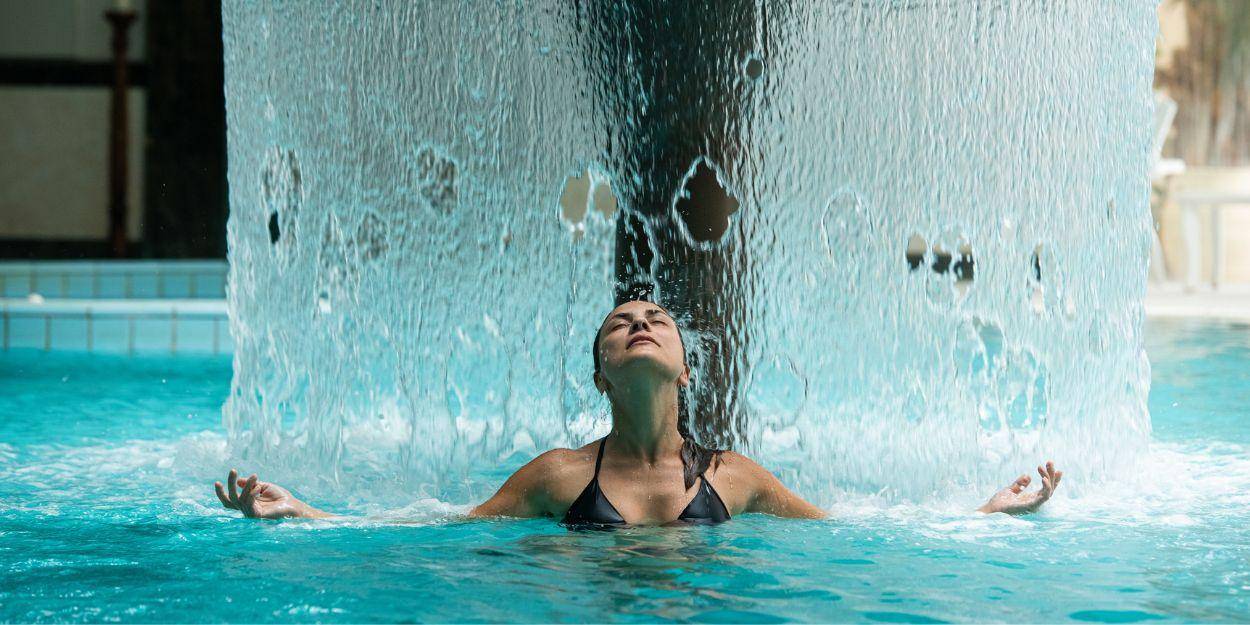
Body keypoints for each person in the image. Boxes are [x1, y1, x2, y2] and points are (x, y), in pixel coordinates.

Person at [214, 300, 1063, 525]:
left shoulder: (735, 476)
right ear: (603, 375)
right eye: (621, 325)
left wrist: (986, 512)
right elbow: (435, 527)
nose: (641, 324)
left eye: (655, 320)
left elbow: (856, 531)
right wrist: (306, 513)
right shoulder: (559, 474)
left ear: (687, 370)